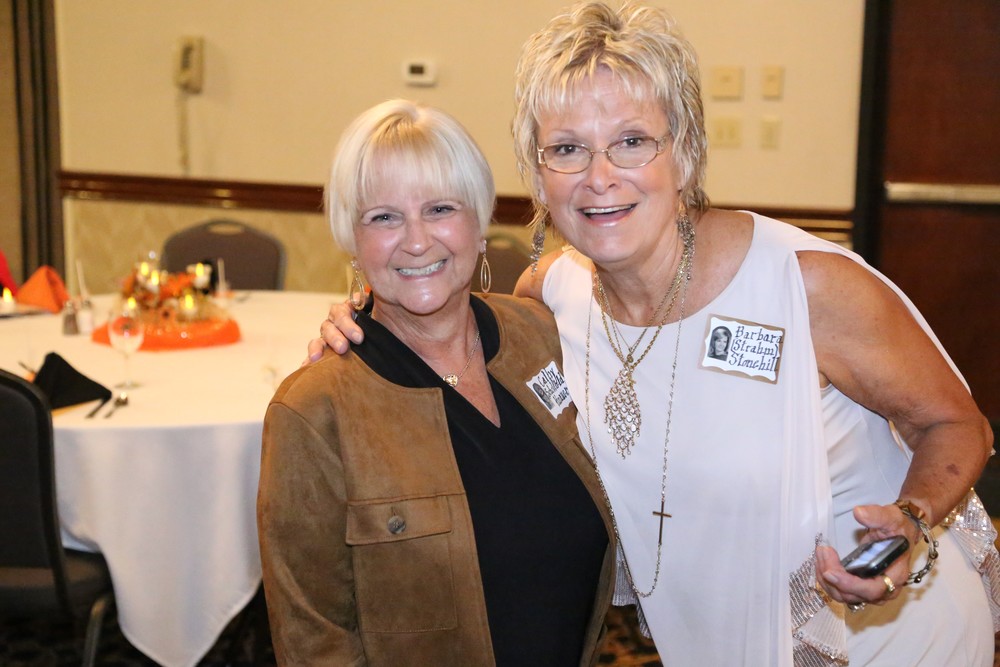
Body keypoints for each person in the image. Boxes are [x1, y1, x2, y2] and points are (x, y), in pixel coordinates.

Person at [312, 3, 999, 665]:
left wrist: (909, 522)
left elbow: (955, 423)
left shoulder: (804, 286)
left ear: (686, 153)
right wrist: (370, 317)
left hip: (878, 635)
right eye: (567, 149)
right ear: (539, 177)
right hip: (707, 641)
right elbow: (454, 337)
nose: (600, 177)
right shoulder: (551, 298)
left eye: (632, 141)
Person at [258, 99, 615, 666]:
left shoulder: (543, 335)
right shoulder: (315, 411)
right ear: (352, 241)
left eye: (440, 209)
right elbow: (313, 638)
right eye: (384, 217)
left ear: (479, 223)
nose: (417, 240)